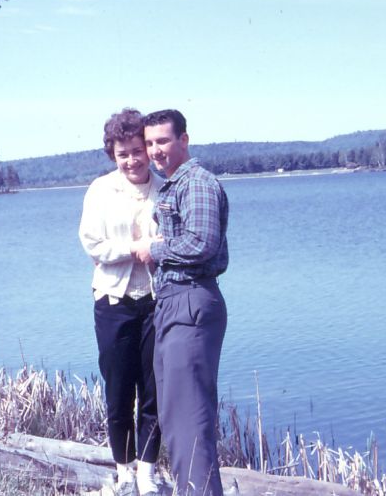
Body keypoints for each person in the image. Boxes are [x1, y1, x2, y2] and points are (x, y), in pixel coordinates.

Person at [137, 109, 229, 496]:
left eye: (163, 141)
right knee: (177, 418)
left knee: (189, 420)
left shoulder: (198, 184)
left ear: (184, 140)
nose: (155, 150)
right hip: (175, 303)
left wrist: (154, 248)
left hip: (190, 301)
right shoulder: (174, 185)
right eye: (150, 143)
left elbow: (202, 242)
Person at [79, 108, 164, 496]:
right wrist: (135, 248)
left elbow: (170, 245)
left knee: (154, 390)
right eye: (122, 153)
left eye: (136, 150)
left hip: (157, 302)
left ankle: (148, 471)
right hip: (113, 302)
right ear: (112, 154)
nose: (131, 160)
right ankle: (124, 470)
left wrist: (156, 248)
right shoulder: (100, 190)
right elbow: (93, 244)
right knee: (118, 392)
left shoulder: (165, 190)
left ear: (147, 150)